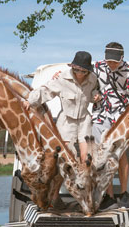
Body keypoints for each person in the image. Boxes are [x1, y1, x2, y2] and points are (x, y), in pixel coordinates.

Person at [23, 51, 99, 209]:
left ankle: (87, 196)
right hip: (66, 121)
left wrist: (95, 96)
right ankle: (55, 196)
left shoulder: (93, 79)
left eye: (83, 71)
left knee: (86, 159)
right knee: (64, 160)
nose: (79, 74)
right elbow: (46, 91)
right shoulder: (62, 78)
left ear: (88, 71)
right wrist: (30, 101)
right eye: (76, 70)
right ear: (72, 67)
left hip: (84, 119)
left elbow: (93, 94)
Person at [92, 42, 129, 210]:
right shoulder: (97, 67)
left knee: (121, 154)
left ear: (122, 58)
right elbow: (79, 76)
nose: (111, 64)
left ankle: (123, 194)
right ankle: (109, 196)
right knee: (103, 155)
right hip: (100, 114)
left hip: (120, 115)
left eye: (114, 62)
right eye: (109, 61)